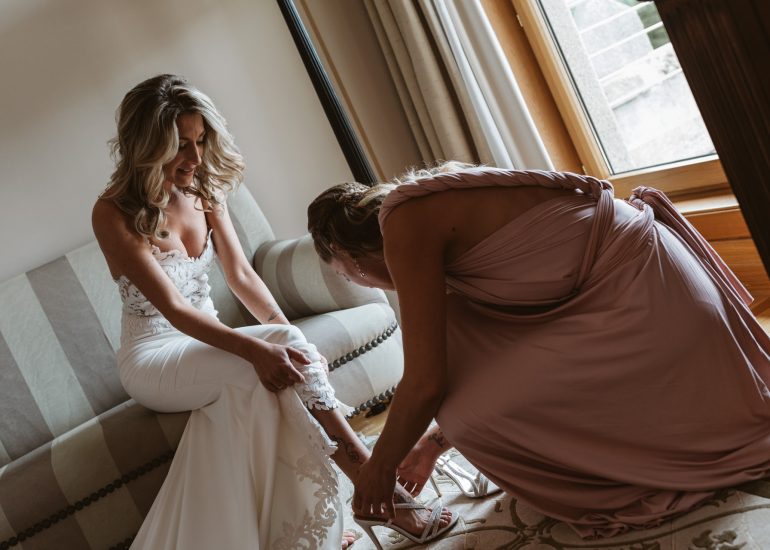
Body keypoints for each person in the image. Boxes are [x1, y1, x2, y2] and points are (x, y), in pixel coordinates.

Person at [307, 161, 770, 538]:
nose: (366, 285)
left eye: (350, 275)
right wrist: (433, 442)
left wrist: (379, 468)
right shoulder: (425, 207)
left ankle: (610, 475)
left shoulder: (405, 224)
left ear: (352, 255)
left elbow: (427, 382)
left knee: (465, 402)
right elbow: (471, 365)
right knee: (456, 341)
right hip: (653, 285)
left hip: (654, 301)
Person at [92, 74, 455, 550]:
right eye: (180, 145)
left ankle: (310, 525)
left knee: (270, 376)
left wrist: (290, 339)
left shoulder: (203, 189)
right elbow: (175, 310)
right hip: (154, 356)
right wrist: (259, 348)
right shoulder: (112, 213)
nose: (195, 157)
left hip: (207, 342)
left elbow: (241, 275)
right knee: (267, 361)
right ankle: (379, 488)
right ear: (146, 145)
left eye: (200, 141)